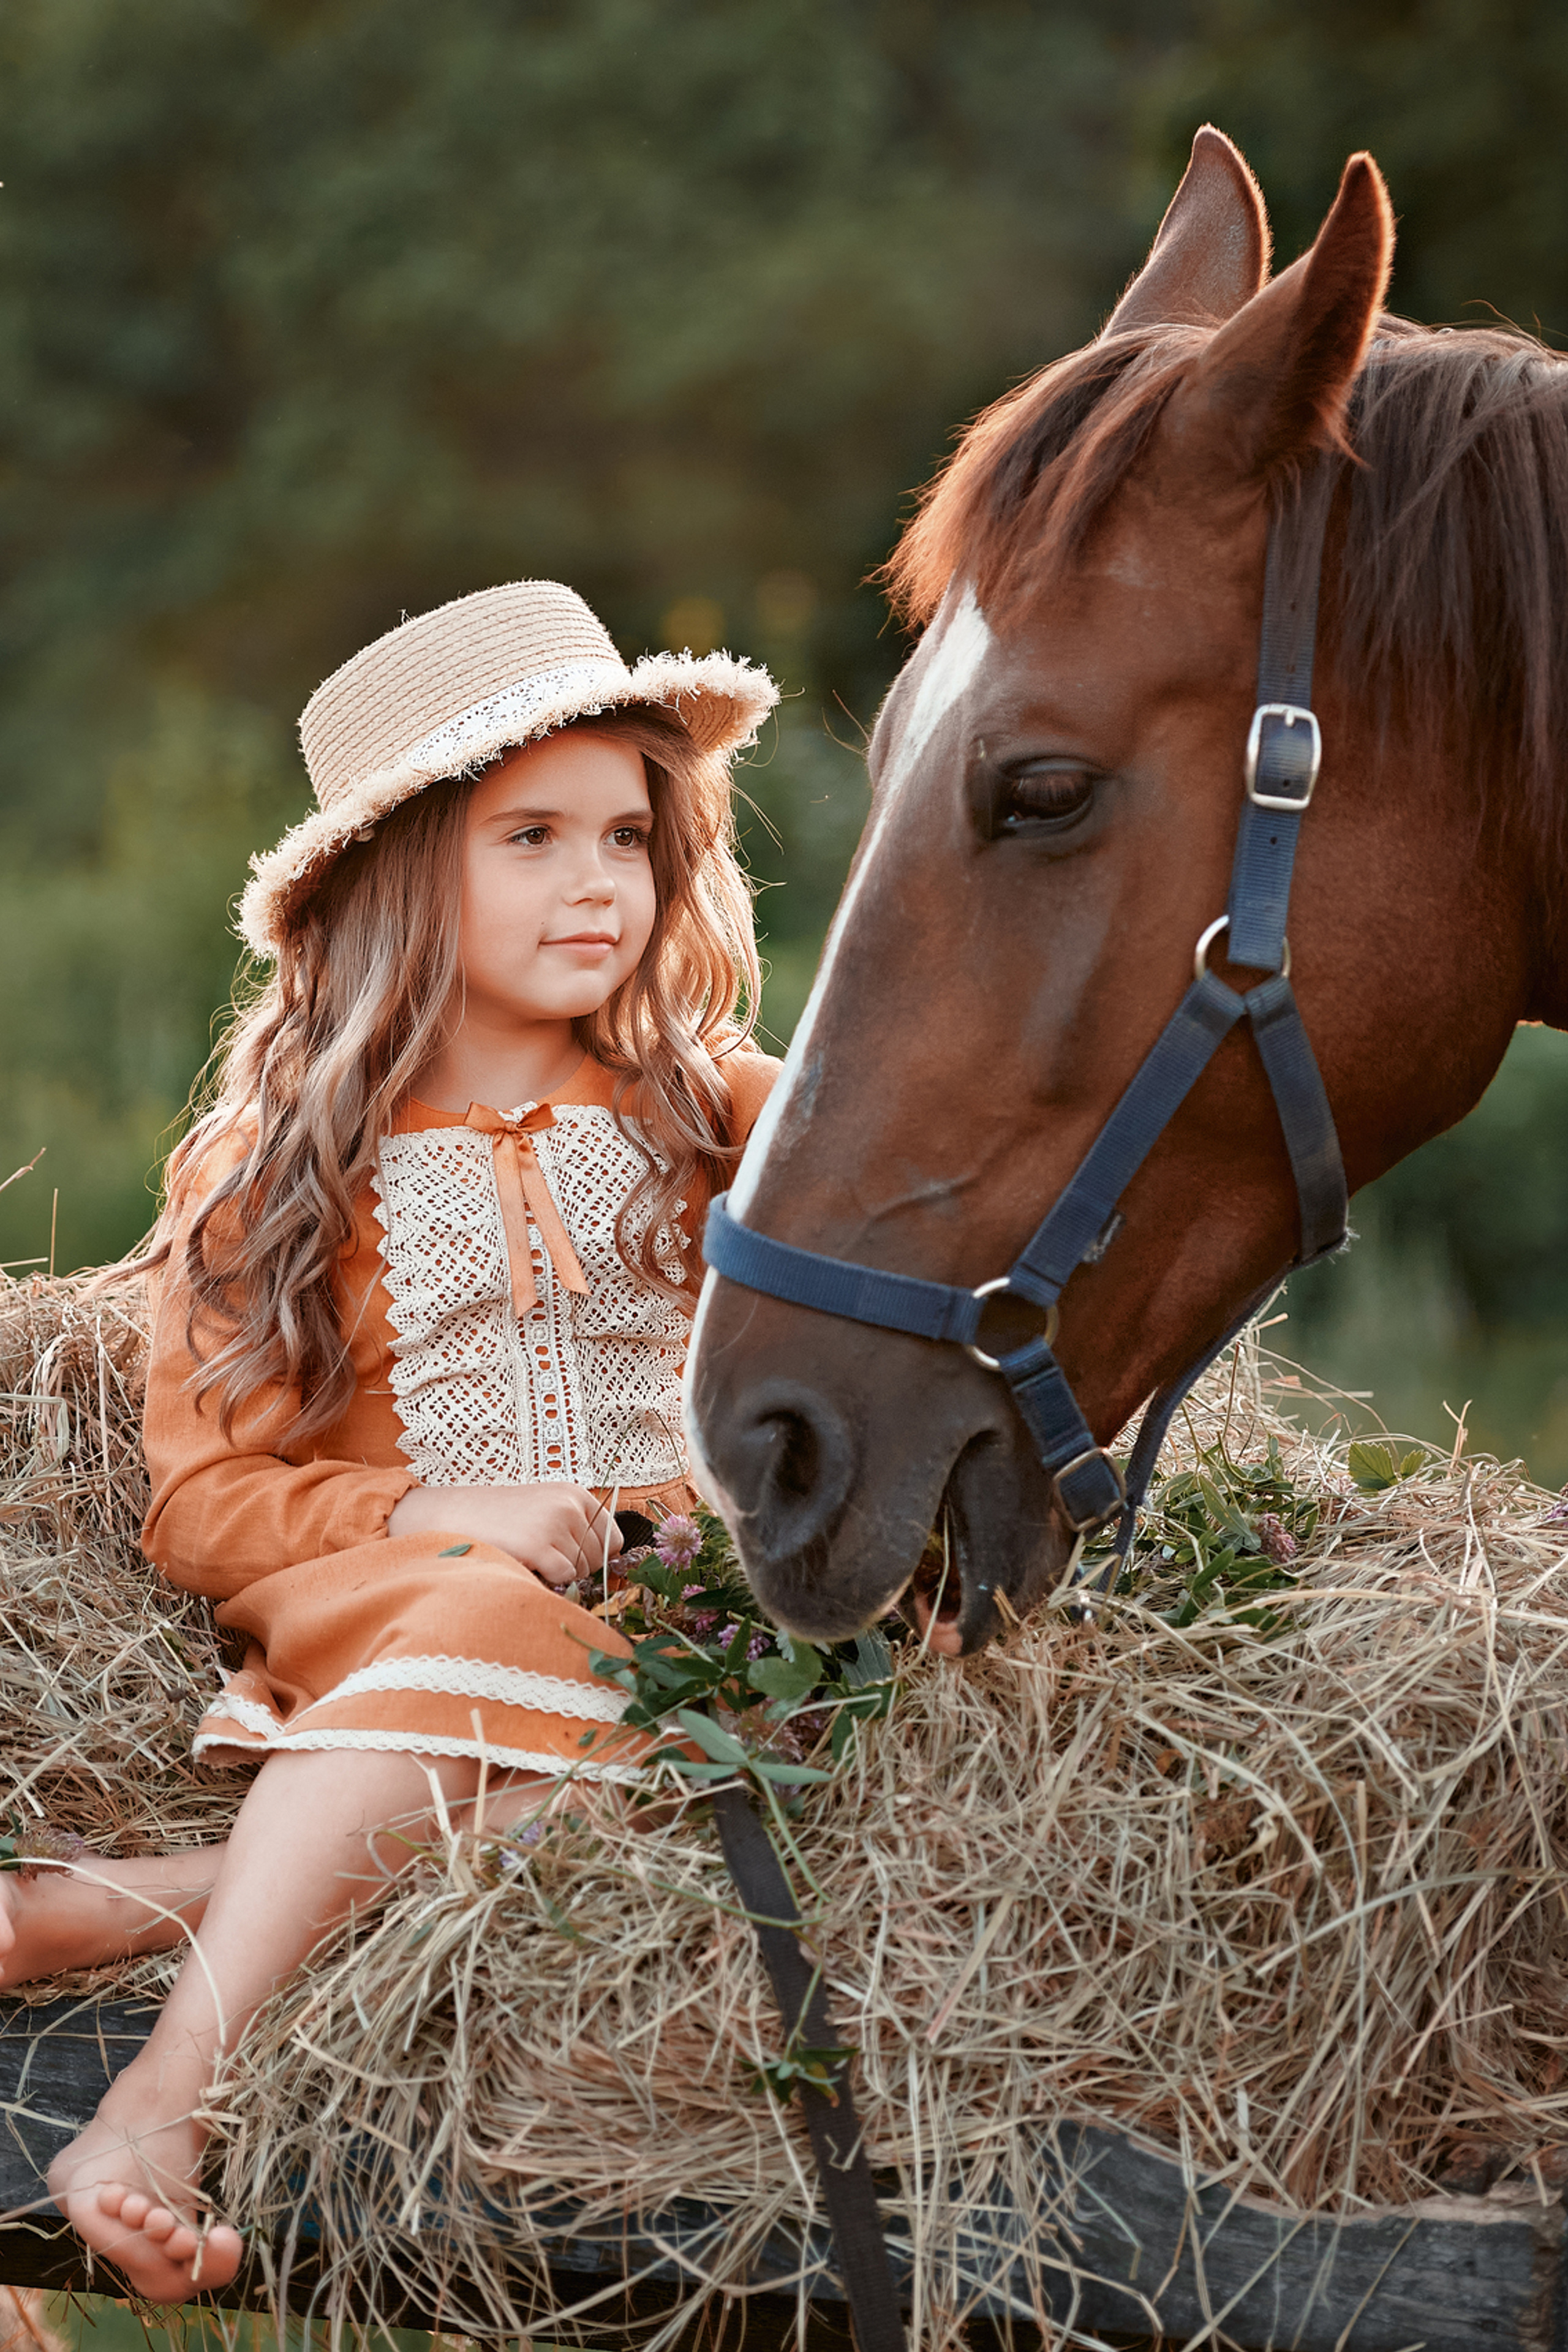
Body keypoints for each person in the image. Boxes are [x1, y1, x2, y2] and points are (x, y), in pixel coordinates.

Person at [6, 581, 780, 2300]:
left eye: (628, 837)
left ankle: (140, 1900)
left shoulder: (719, 1106)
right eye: (531, 838)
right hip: (401, 1607)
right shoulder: (276, 1167)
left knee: (759, 1778)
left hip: (663, 1616)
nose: (599, 883)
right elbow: (206, 1507)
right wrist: (441, 1514)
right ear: (397, 874)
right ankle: (156, 2108)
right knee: (490, 1616)